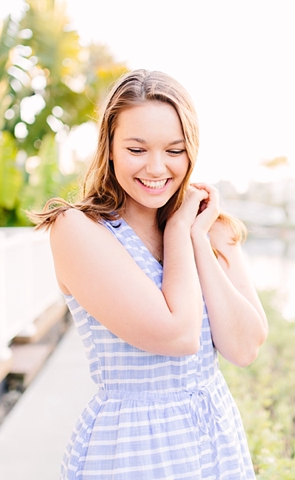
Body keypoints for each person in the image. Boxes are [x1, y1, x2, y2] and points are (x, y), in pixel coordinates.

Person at [31, 69, 268, 479]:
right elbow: (177, 335)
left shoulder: (213, 227)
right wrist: (178, 229)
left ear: (191, 151)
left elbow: (245, 348)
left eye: (174, 151)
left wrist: (197, 237)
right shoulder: (79, 230)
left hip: (215, 439)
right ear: (109, 149)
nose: (157, 168)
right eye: (137, 149)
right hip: (135, 450)